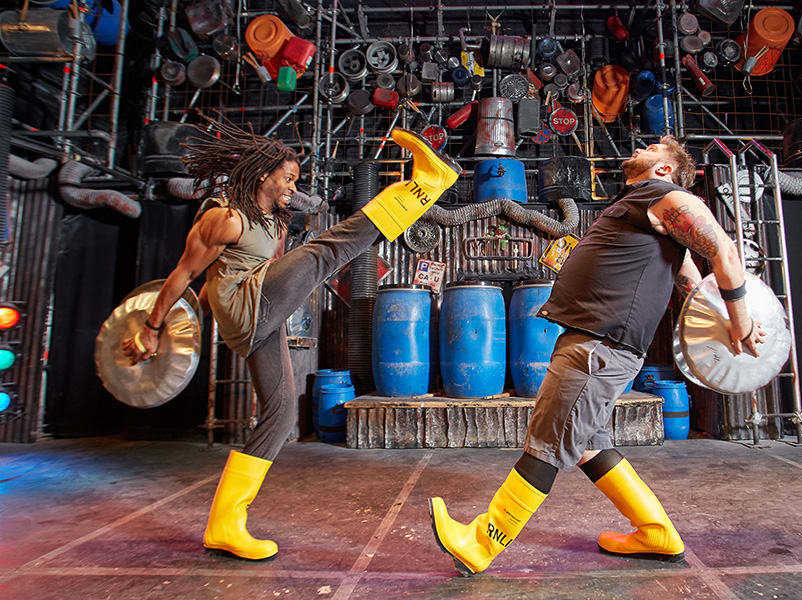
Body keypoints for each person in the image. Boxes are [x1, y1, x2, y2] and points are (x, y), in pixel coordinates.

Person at [122, 114, 460, 561]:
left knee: (280, 417)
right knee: (327, 251)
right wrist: (154, 327)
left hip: (262, 316)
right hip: (249, 307)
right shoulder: (224, 218)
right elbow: (186, 276)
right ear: (262, 173)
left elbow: (246, 274)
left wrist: (201, 323)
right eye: (287, 178)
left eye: (296, 180)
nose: (292, 187)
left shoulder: (274, 224)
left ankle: (224, 524)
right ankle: (425, 184)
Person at [429, 136, 766, 575]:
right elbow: (691, 282)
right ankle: (656, 531)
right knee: (587, 443)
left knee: (549, 440)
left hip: (600, 343)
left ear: (664, 170)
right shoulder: (648, 213)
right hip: (597, 341)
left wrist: (738, 319)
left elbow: (722, 248)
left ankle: (481, 542)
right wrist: (713, 317)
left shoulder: (666, 195)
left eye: (654, 148)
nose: (643, 146)